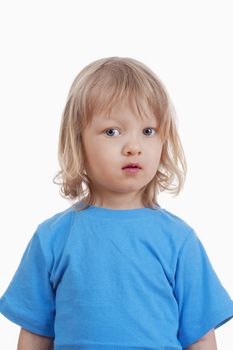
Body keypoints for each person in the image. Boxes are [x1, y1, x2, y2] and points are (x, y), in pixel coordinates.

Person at [0, 57, 233, 350]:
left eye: (148, 131)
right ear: (78, 143)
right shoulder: (52, 238)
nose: (133, 146)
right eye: (112, 131)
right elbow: (35, 335)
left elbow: (200, 336)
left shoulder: (179, 240)